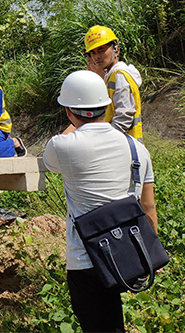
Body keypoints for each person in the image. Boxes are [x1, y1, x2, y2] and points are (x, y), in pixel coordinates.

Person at [43, 70, 158, 333]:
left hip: (86, 259)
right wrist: (149, 252)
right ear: (107, 106)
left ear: (68, 111)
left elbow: (50, 164)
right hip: (130, 252)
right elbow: (148, 206)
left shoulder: (62, 146)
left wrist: (74, 121)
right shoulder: (136, 148)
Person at [83, 25, 143, 140]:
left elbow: (124, 117)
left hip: (126, 148)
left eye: (101, 50)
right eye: (93, 53)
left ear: (116, 50)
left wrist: (107, 141)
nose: (97, 57)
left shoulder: (119, 75)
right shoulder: (111, 76)